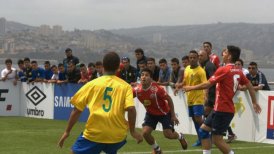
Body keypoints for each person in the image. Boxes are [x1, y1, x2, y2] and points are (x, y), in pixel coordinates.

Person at [58, 51, 143, 154]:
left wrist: (67, 132)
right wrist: (133, 131)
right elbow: (131, 109)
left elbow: (77, 110)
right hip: (117, 135)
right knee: (111, 146)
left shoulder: (92, 84)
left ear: (103, 66)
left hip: (95, 132)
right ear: (118, 67)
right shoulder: (126, 87)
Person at [183, 45, 262, 154]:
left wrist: (191, 87)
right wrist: (254, 102)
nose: (222, 54)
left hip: (222, 110)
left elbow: (207, 84)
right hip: (220, 109)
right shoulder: (238, 71)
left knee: (217, 140)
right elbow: (249, 86)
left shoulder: (224, 69)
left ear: (229, 56)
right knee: (203, 131)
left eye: (224, 53)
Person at [133, 68, 187, 154]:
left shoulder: (157, 89)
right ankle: (157, 149)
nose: (143, 77)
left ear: (151, 79)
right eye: (142, 75)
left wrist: (173, 115)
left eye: (146, 75)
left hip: (164, 113)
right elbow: (127, 97)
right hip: (150, 114)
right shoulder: (136, 90)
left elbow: (169, 99)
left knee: (168, 135)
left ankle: (180, 136)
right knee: (145, 133)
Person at [178, 50, 207, 147]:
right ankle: (200, 139)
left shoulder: (201, 71)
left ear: (198, 58)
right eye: (191, 57)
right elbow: (185, 81)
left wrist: (205, 96)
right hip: (189, 98)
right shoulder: (187, 69)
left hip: (198, 99)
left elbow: (205, 84)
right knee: (195, 120)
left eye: (194, 57)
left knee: (198, 119)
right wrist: (179, 86)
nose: (192, 59)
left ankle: (208, 134)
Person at [198, 49, 216, 117]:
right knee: (208, 116)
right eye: (199, 56)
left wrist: (207, 95)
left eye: (201, 56)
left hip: (211, 95)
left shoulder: (209, 66)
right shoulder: (202, 66)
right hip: (205, 94)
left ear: (206, 56)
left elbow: (213, 80)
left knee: (205, 114)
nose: (199, 57)